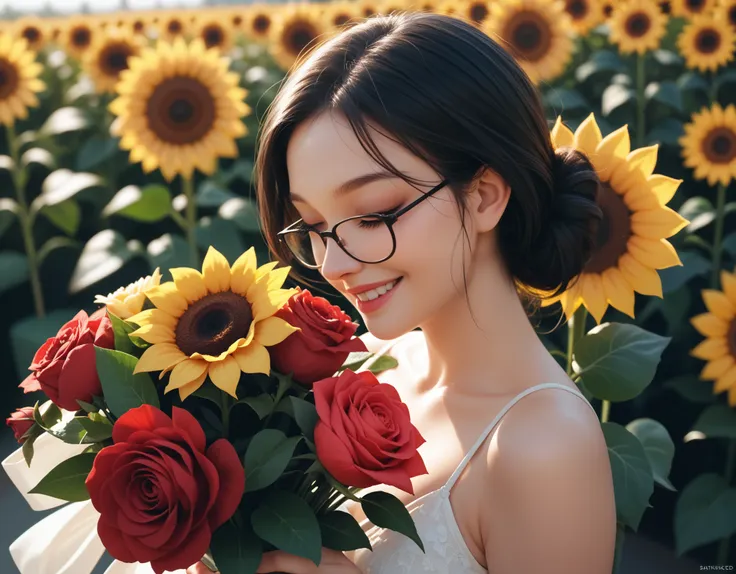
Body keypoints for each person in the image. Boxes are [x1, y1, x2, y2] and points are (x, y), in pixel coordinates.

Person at [188, 9, 616, 574]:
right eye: (314, 227)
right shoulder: (363, 370)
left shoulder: (544, 449)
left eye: (374, 214)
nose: (334, 263)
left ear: (485, 195)